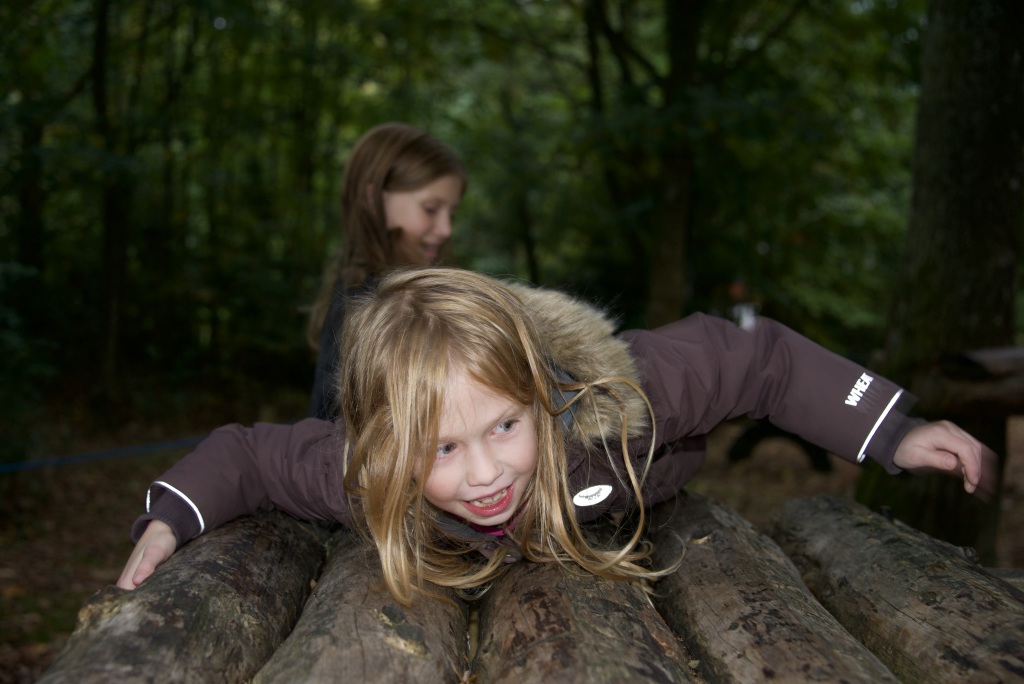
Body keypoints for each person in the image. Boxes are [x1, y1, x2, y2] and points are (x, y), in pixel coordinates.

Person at [119, 268, 996, 605]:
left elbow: (758, 358)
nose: (485, 472)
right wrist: (168, 519)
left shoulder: (631, 397)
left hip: (647, 472)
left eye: (506, 426)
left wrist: (893, 430)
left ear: (543, 397)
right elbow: (249, 454)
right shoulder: (361, 473)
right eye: (442, 450)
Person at [307, 123, 466, 420]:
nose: (446, 229)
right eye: (431, 209)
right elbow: (333, 429)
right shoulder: (367, 305)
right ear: (372, 199)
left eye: (452, 214)